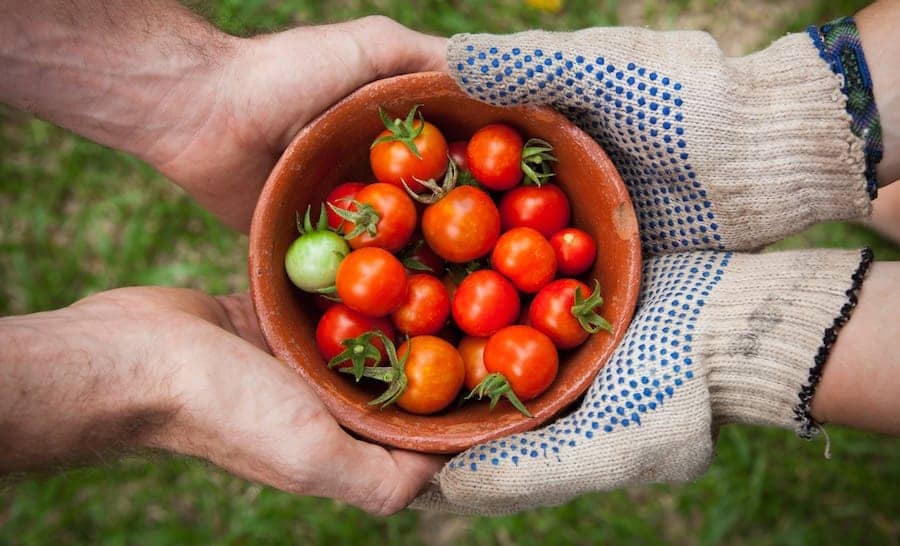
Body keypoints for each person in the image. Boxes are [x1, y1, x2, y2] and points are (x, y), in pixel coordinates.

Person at [0, 0, 897, 517]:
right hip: (496, 303)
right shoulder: (420, 277)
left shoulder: (429, 248)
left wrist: (780, 119)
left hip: (503, 290)